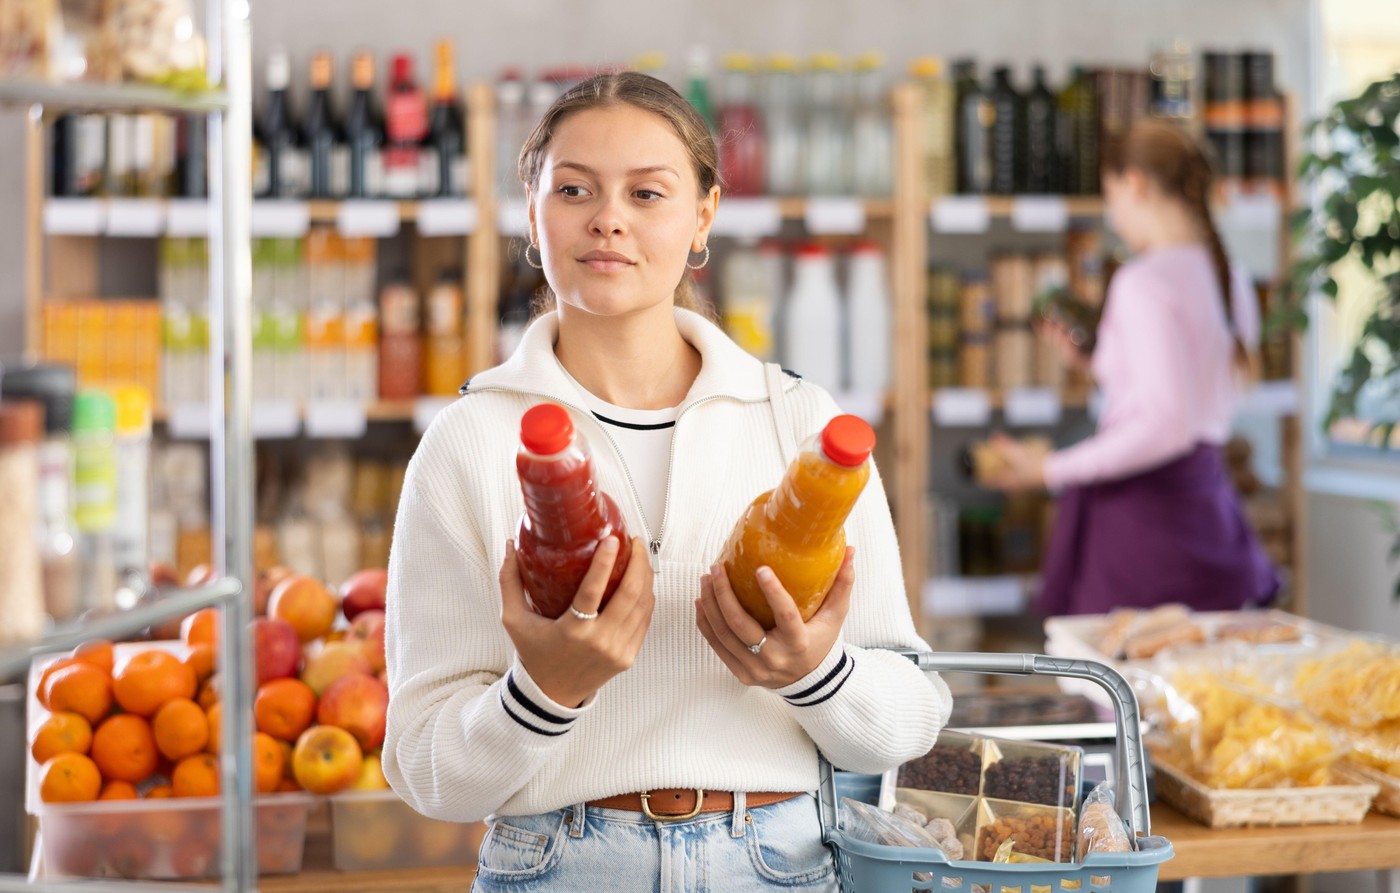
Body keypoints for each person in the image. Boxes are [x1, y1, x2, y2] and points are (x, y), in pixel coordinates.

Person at [381, 71, 951, 892]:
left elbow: (911, 718)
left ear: (702, 218)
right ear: (532, 218)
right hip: (558, 865)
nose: (608, 217)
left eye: (648, 192)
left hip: (778, 863)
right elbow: (427, 772)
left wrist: (813, 673)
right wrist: (542, 693)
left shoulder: (796, 422)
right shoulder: (468, 442)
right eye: (574, 188)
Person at [986, 119, 1279, 616]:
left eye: (1111, 197)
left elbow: (1164, 426)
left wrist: (1049, 469)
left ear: (1135, 184)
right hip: (1208, 510)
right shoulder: (1234, 279)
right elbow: (1188, 397)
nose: (1114, 217)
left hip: (1144, 526)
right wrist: (1100, 360)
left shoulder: (1142, 282)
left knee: (1122, 686)